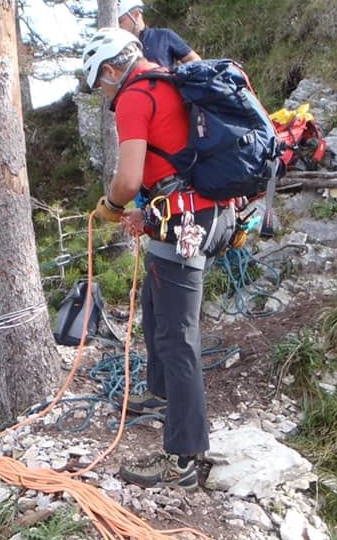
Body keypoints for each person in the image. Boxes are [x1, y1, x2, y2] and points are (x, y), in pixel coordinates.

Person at [81, 28, 235, 491]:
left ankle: (183, 458)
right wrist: (147, 215)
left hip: (187, 222)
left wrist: (111, 206)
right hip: (201, 213)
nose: (103, 92)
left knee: (177, 337)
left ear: (113, 69)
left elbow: (128, 180)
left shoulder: (135, 96)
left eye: (100, 82)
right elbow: (173, 167)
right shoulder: (169, 81)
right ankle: (161, 395)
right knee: (155, 307)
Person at [117, 0, 201, 69]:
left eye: (120, 21)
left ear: (136, 14)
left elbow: (195, 60)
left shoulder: (164, 36)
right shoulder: (117, 46)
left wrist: (178, 76)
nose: (117, 26)